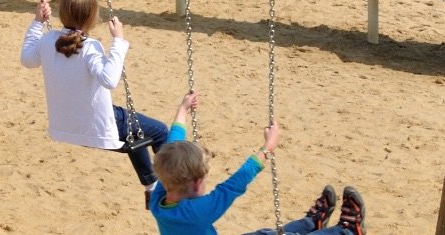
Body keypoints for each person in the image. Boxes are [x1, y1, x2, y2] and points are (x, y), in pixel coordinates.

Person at [20, 0, 171, 192]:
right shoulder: (90, 47)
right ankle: (174, 188)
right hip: (95, 127)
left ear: (62, 13)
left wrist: (37, 22)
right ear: (92, 17)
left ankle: (151, 186)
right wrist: (118, 40)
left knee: (135, 132)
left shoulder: (47, 40)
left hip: (65, 127)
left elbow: (27, 59)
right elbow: (109, 80)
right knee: (161, 132)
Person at [148, 93, 367, 235]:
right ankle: (346, 231)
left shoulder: (160, 197)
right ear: (197, 184)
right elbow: (233, 185)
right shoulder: (198, 210)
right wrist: (267, 147)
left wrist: (183, 110)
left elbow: (172, 145)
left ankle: (312, 224)